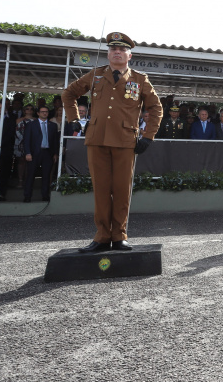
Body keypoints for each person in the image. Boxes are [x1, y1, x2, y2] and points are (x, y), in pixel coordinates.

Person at [62, 32, 163, 252]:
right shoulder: (95, 76)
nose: (117, 52)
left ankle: (119, 236)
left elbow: (156, 108)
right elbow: (68, 94)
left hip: (126, 142)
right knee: (101, 190)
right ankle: (101, 236)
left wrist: (148, 136)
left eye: (122, 50)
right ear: (108, 54)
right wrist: (74, 120)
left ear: (129, 55)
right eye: (113, 49)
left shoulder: (139, 79)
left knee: (121, 190)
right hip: (97, 140)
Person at [22, 105, 59, 202]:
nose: (44, 113)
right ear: (38, 113)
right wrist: (28, 153)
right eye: (42, 111)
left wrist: (55, 153)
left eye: (46, 111)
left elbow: (55, 141)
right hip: (34, 153)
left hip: (48, 153)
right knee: (30, 175)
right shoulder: (31, 124)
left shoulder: (53, 125)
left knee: (46, 175)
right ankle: (27, 196)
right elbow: (26, 140)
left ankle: (45, 196)